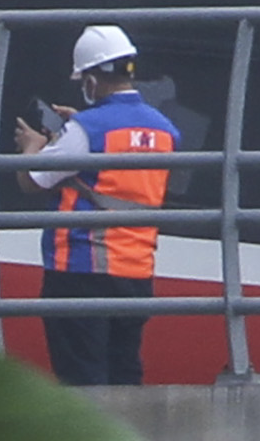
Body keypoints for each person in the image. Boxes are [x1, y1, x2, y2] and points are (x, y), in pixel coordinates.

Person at [12, 25, 176, 385]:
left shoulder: (87, 129)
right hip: (136, 272)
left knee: (82, 377)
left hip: (80, 269)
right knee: (124, 372)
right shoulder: (164, 129)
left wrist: (32, 147)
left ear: (90, 78)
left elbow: (31, 180)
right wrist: (75, 133)